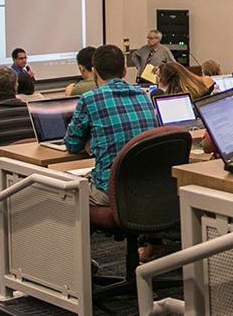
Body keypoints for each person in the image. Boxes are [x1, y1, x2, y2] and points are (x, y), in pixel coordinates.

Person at [64, 45, 161, 260]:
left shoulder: (89, 100)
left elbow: (71, 144)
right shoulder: (143, 96)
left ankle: (76, 268)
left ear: (94, 72)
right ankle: (154, 243)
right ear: (125, 71)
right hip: (147, 186)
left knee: (58, 189)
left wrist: (90, 141)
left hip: (111, 189)